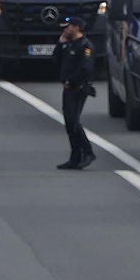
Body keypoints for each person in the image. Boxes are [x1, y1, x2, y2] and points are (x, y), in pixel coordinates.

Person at [53, 14, 97, 169]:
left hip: (77, 88)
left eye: (68, 27)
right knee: (69, 123)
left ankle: (88, 152)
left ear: (76, 28)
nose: (66, 30)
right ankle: (75, 156)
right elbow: (56, 60)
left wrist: (71, 81)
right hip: (68, 88)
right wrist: (60, 43)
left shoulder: (85, 46)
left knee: (73, 121)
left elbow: (85, 69)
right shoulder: (69, 44)